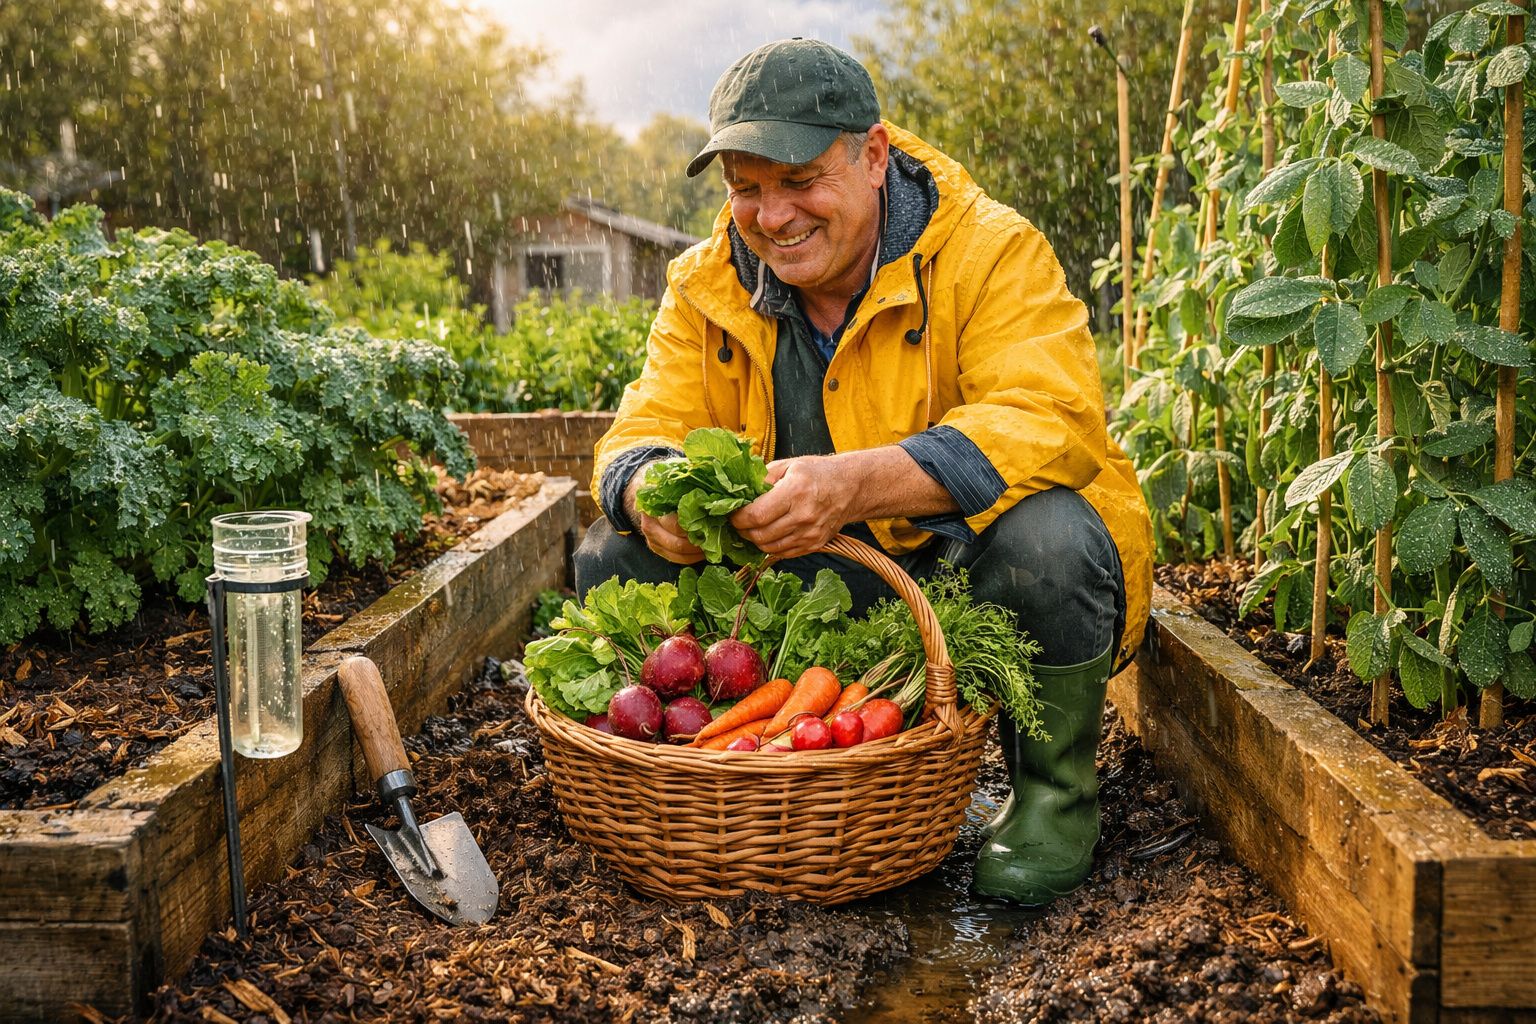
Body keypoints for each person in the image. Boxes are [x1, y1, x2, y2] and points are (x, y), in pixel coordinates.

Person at [574, 37, 1152, 907]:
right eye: (746, 188)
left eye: (800, 181)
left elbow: (1053, 415)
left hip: (958, 578)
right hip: (803, 599)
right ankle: (716, 782)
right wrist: (649, 492)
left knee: (1054, 539)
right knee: (610, 554)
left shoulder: (989, 251)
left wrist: (857, 482)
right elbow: (642, 429)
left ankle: (1052, 796)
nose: (772, 216)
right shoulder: (704, 286)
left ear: (874, 155)